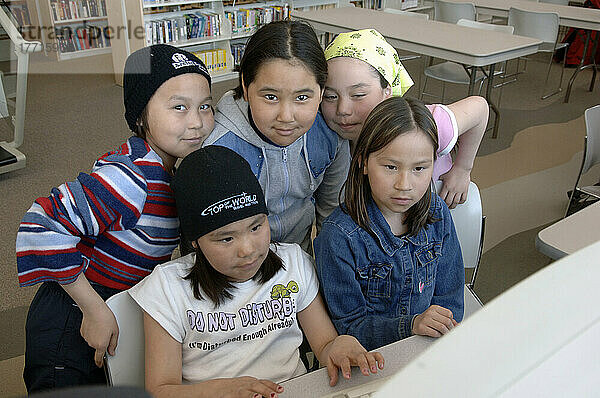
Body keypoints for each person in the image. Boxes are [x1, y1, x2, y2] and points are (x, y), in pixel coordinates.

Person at [15, 44, 215, 392]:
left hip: (111, 302)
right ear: (140, 116)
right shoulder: (130, 177)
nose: (196, 122)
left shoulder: (173, 170)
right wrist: (93, 309)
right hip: (71, 310)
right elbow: (40, 226)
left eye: (205, 107)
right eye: (179, 107)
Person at [129, 146, 384, 398]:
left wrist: (342, 345)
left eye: (256, 227)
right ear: (195, 241)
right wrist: (221, 390)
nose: (247, 250)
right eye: (226, 239)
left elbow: (325, 344)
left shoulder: (292, 263)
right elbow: (160, 390)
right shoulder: (167, 288)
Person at [314, 96, 465, 352]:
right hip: (371, 359)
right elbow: (349, 328)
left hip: (428, 350)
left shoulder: (437, 213)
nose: (404, 185)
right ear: (362, 161)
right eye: (391, 167)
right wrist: (411, 325)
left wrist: (438, 328)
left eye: (419, 168)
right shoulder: (338, 237)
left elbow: (450, 298)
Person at [203, 20, 350, 252]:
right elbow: (212, 240)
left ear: (321, 92)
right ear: (245, 85)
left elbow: (332, 216)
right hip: (239, 267)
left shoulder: (329, 135)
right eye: (270, 97)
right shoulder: (218, 150)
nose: (286, 116)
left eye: (302, 97)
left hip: (301, 259)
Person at [321, 29, 488, 209]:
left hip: (432, 219)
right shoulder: (325, 136)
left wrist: (462, 169)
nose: (343, 110)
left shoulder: (420, 127)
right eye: (330, 96)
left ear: (388, 91)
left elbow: (480, 108)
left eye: (359, 94)